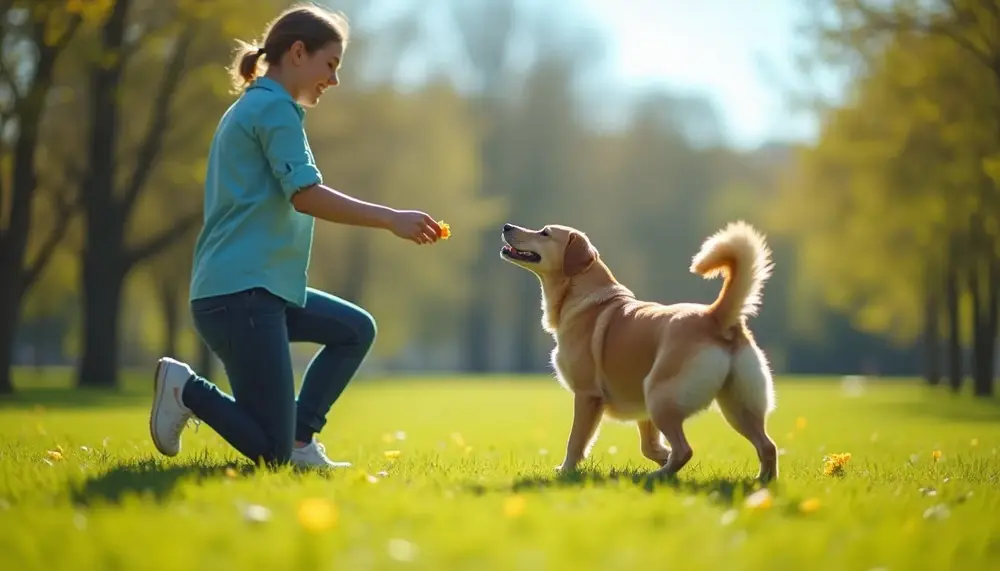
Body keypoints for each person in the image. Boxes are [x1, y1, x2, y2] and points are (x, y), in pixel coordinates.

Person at [148, 3, 443, 470]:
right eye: (331, 64)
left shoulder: (258, 105)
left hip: (259, 290)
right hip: (240, 296)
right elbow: (305, 195)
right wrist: (390, 218)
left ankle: (301, 439)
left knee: (353, 330)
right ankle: (186, 389)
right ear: (298, 53)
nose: (334, 79)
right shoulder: (273, 109)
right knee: (270, 451)